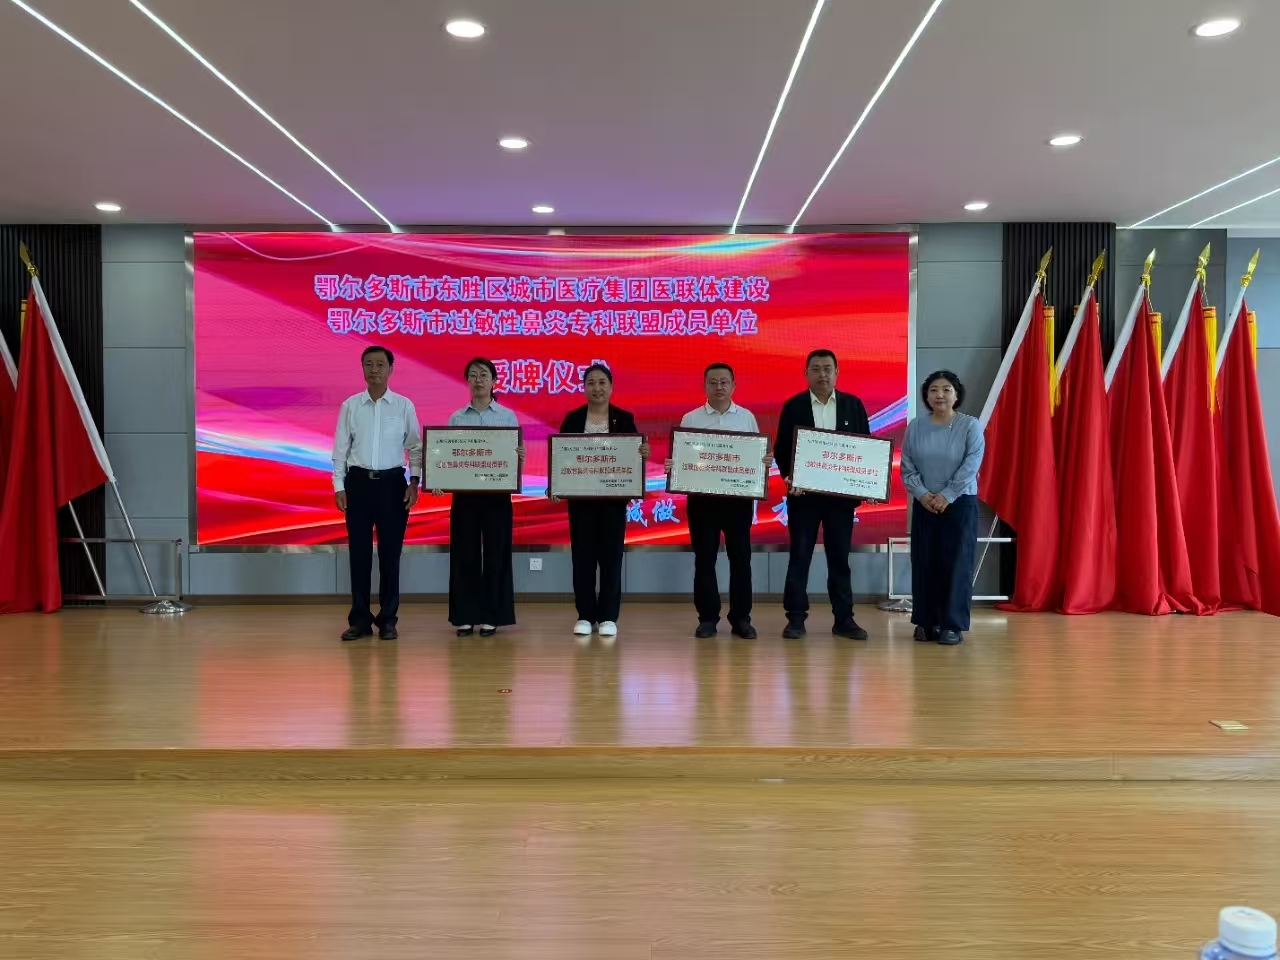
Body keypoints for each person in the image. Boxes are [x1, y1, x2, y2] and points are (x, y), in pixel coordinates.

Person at [666, 362, 770, 639]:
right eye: (713, 382)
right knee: (704, 560)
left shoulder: (746, 418)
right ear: (705, 386)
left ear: (734, 386)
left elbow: (756, 457)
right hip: (703, 501)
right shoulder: (691, 418)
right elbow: (683, 458)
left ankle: (741, 619)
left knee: (741, 560)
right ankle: (708, 618)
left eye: (724, 382)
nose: (719, 387)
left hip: (737, 501)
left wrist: (764, 461)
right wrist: (674, 467)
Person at [773, 349, 872, 640]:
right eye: (815, 369)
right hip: (804, 497)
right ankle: (795, 618)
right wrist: (790, 477)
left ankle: (844, 619)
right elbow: (782, 449)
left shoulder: (853, 405)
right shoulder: (794, 405)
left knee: (839, 559)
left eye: (827, 368)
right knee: (799, 556)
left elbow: (865, 447)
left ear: (837, 372)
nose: (822, 374)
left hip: (840, 500)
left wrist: (866, 484)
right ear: (806, 374)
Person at [333, 345, 422, 641]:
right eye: (368, 364)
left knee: (390, 555)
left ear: (391, 370)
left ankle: (387, 619)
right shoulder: (350, 406)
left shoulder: (403, 406)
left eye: (380, 365)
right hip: (357, 484)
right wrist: (339, 486)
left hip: (393, 485)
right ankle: (359, 619)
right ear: (362, 369)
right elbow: (340, 451)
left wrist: (414, 482)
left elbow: (415, 448)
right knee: (359, 554)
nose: (374, 370)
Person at [556, 363, 649, 639]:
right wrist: (558, 482)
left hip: (612, 501)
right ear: (584, 388)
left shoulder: (624, 418)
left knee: (611, 559)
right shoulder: (573, 419)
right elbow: (561, 456)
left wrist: (642, 452)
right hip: (581, 500)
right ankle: (585, 615)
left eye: (602, 382)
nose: (596, 388)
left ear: (611, 387)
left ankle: (608, 616)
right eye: (591, 383)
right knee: (583, 559)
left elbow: (633, 456)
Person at [440, 358, 524, 638]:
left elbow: (515, 457)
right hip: (465, 496)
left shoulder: (507, 417)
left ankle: (492, 615)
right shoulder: (456, 418)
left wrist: (519, 458)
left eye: (484, 375)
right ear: (467, 381)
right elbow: (446, 456)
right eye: (473, 375)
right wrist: (439, 479)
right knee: (464, 553)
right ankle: (465, 616)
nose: (478, 380)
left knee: (496, 554)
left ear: (494, 381)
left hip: (497, 495)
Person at [900, 370, 984, 645]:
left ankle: (952, 625)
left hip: (959, 503)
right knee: (924, 563)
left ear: (956, 395)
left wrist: (947, 495)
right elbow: (907, 466)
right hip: (925, 504)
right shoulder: (916, 426)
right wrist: (924, 495)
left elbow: (972, 464)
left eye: (946, 389)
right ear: (926, 395)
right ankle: (926, 622)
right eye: (934, 389)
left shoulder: (970, 425)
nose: (940, 395)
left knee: (957, 564)